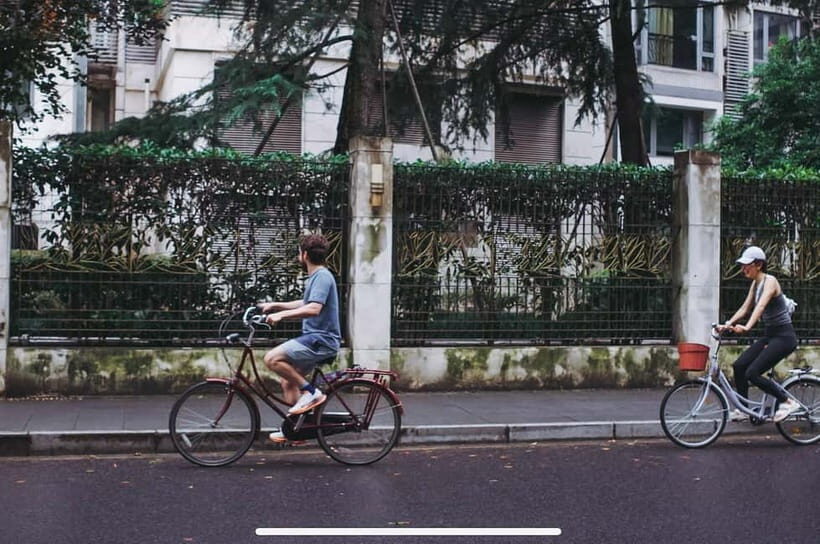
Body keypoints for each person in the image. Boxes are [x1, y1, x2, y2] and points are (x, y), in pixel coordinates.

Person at [258, 234, 341, 440]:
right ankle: (296, 430)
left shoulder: (321, 276)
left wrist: (280, 315)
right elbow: (305, 302)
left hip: (321, 340)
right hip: (315, 339)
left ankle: (312, 393)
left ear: (304, 255)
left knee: (272, 359)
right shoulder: (317, 276)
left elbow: (313, 308)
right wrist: (276, 305)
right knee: (288, 382)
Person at [717, 246, 799, 423]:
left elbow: (760, 306)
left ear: (759, 264)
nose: (743, 269)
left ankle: (788, 401)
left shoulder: (770, 281)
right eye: (742, 265)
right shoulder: (756, 283)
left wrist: (746, 328)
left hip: (784, 337)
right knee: (740, 366)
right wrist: (726, 325)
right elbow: (745, 308)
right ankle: (744, 410)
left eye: (747, 265)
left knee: (752, 373)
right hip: (770, 335)